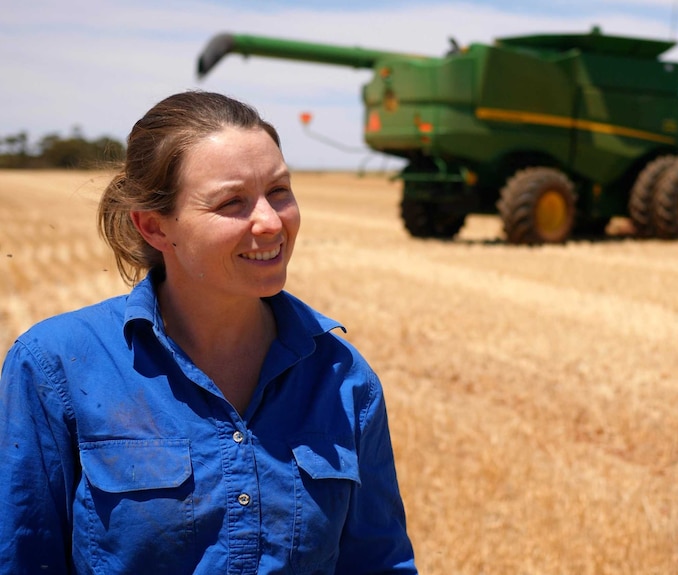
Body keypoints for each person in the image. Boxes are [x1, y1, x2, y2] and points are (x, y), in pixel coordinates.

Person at [0, 90, 417, 574]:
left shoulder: (344, 379)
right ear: (155, 227)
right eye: (231, 202)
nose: (270, 222)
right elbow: (21, 556)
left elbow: (380, 564)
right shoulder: (55, 367)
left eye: (279, 191)